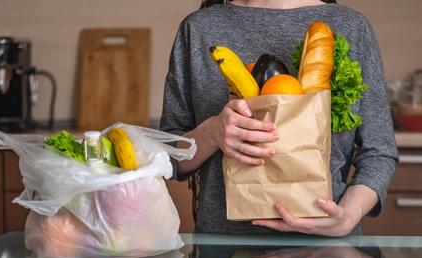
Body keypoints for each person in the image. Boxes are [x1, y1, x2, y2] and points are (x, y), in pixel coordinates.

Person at [160, 0, 398, 236]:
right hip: (222, 250)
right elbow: (168, 158)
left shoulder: (350, 26)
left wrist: (348, 215)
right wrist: (212, 133)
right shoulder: (200, 27)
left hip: (327, 251)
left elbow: (379, 152)